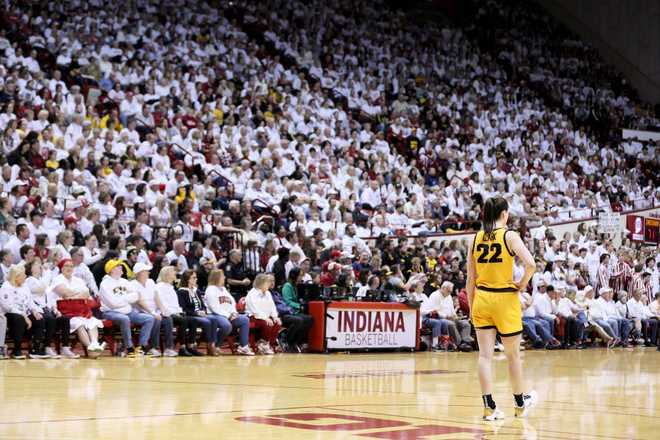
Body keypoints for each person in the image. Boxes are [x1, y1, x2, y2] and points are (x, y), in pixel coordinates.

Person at [466, 197, 538, 420]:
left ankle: (489, 407)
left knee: (485, 356)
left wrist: (471, 306)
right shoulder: (510, 235)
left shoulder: (475, 238)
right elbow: (531, 264)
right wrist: (522, 284)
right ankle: (520, 403)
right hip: (504, 300)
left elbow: (470, 279)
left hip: (482, 298)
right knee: (513, 356)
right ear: (504, 214)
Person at [99, 259, 155, 357]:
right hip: (110, 312)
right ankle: (129, 348)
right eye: (118, 266)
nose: (121, 268)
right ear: (111, 270)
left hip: (127, 311)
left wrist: (122, 299)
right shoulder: (105, 284)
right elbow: (113, 303)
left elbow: (137, 295)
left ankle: (142, 346)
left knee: (149, 318)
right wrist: (127, 299)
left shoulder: (124, 281)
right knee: (124, 319)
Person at [50, 258, 105, 357]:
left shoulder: (78, 280)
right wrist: (77, 294)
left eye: (71, 266)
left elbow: (86, 293)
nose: (69, 268)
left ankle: (94, 344)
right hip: (66, 313)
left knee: (92, 322)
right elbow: (65, 293)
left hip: (81, 311)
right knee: (79, 324)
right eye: (66, 266)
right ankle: (90, 348)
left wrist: (72, 296)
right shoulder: (57, 279)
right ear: (61, 268)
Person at [26, 259, 79, 358]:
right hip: (36, 310)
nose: (40, 266)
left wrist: (55, 309)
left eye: (40, 264)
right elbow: (40, 289)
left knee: (64, 319)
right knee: (50, 319)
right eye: (37, 265)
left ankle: (65, 347)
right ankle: (47, 347)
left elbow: (49, 297)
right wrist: (48, 272)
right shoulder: (29, 280)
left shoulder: (42, 280)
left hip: (47, 310)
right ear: (31, 269)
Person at [0, 263, 48, 359]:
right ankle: (17, 349)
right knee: (19, 319)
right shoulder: (6, 287)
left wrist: (35, 311)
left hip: (23, 314)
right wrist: (25, 316)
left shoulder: (24, 286)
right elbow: (9, 307)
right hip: (9, 314)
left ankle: (35, 349)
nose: (26, 276)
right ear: (16, 277)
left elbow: (30, 302)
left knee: (39, 318)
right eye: (23, 275)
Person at [204, 269, 254, 355]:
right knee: (226, 325)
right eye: (222, 276)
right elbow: (214, 307)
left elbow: (232, 302)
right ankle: (215, 345)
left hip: (228, 315)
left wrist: (234, 313)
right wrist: (228, 315)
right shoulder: (210, 290)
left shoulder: (223, 289)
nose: (224, 277)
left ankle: (243, 347)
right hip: (214, 314)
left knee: (244, 319)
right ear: (217, 277)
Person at [154, 266, 195, 357]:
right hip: (164, 313)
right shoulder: (159, 287)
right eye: (173, 272)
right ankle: (179, 347)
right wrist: (174, 313)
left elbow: (175, 304)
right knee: (183, 320)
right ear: (167, 274)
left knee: (189, 319)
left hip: (173, 313)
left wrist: (179, 311)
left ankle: (186, 347)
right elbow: (162, 304)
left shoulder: (171, 287)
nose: (175, 274)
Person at [176, 270, 218, 356]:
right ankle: (206, 343)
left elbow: (202, 305)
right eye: (194, 278)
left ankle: (211, 344)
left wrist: (203, 311)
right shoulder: (181, 292)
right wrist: (197, 313)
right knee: (206, 322)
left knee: (214, 319)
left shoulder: (197, 290)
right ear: (188, 279)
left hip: (200, 314)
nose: (196, 279)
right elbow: (183, 308)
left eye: (196, 277)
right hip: (189, 315)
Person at [425, 280, 474, 351]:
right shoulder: (434, 296)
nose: (450, 293)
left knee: (465, 323)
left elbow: (452, 310)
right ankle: (460, 344)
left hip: (450, 318)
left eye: (450, 291)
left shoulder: (449, 296)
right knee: (451, 324)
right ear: (443, 288)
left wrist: (455, 316)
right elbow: (434, 312)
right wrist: (446, 316)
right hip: (439, 318)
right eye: (449, 291)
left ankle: (465, 342)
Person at [279, 269, 314, 352]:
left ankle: (297, 341)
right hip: (287, 312)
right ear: (294, 276)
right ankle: (287, 340)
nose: (301, 277)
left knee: (310, 319)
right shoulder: (287, 286)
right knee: (300, 320)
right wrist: (299, 306)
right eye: (300, 275)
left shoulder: (295, 285)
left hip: (294, 311)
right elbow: (287, 301)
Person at [245, 273, 281, 355]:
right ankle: (263, 344)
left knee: (277, 323)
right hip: (254, 317)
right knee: (267, 323)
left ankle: (267, 344)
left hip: (265, 317)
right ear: (261, 283)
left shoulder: (268, 293)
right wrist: (265, 318)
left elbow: (272, 307)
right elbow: (255, 310)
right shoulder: (252, 293)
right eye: (267, 282)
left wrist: (275, 317)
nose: (269, 284)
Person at [132, 262, 163, 356]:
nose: (148, 273)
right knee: (154, 319)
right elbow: (140, 302)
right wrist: (153, 313)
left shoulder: (151, 282)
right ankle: (148, 347)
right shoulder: (132, 284)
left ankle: (155, 347)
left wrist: (160, 310)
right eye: (146, 271)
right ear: (140, 273)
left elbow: (156, 297)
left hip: (153, 311)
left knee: (166, 318)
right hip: (139, 311)